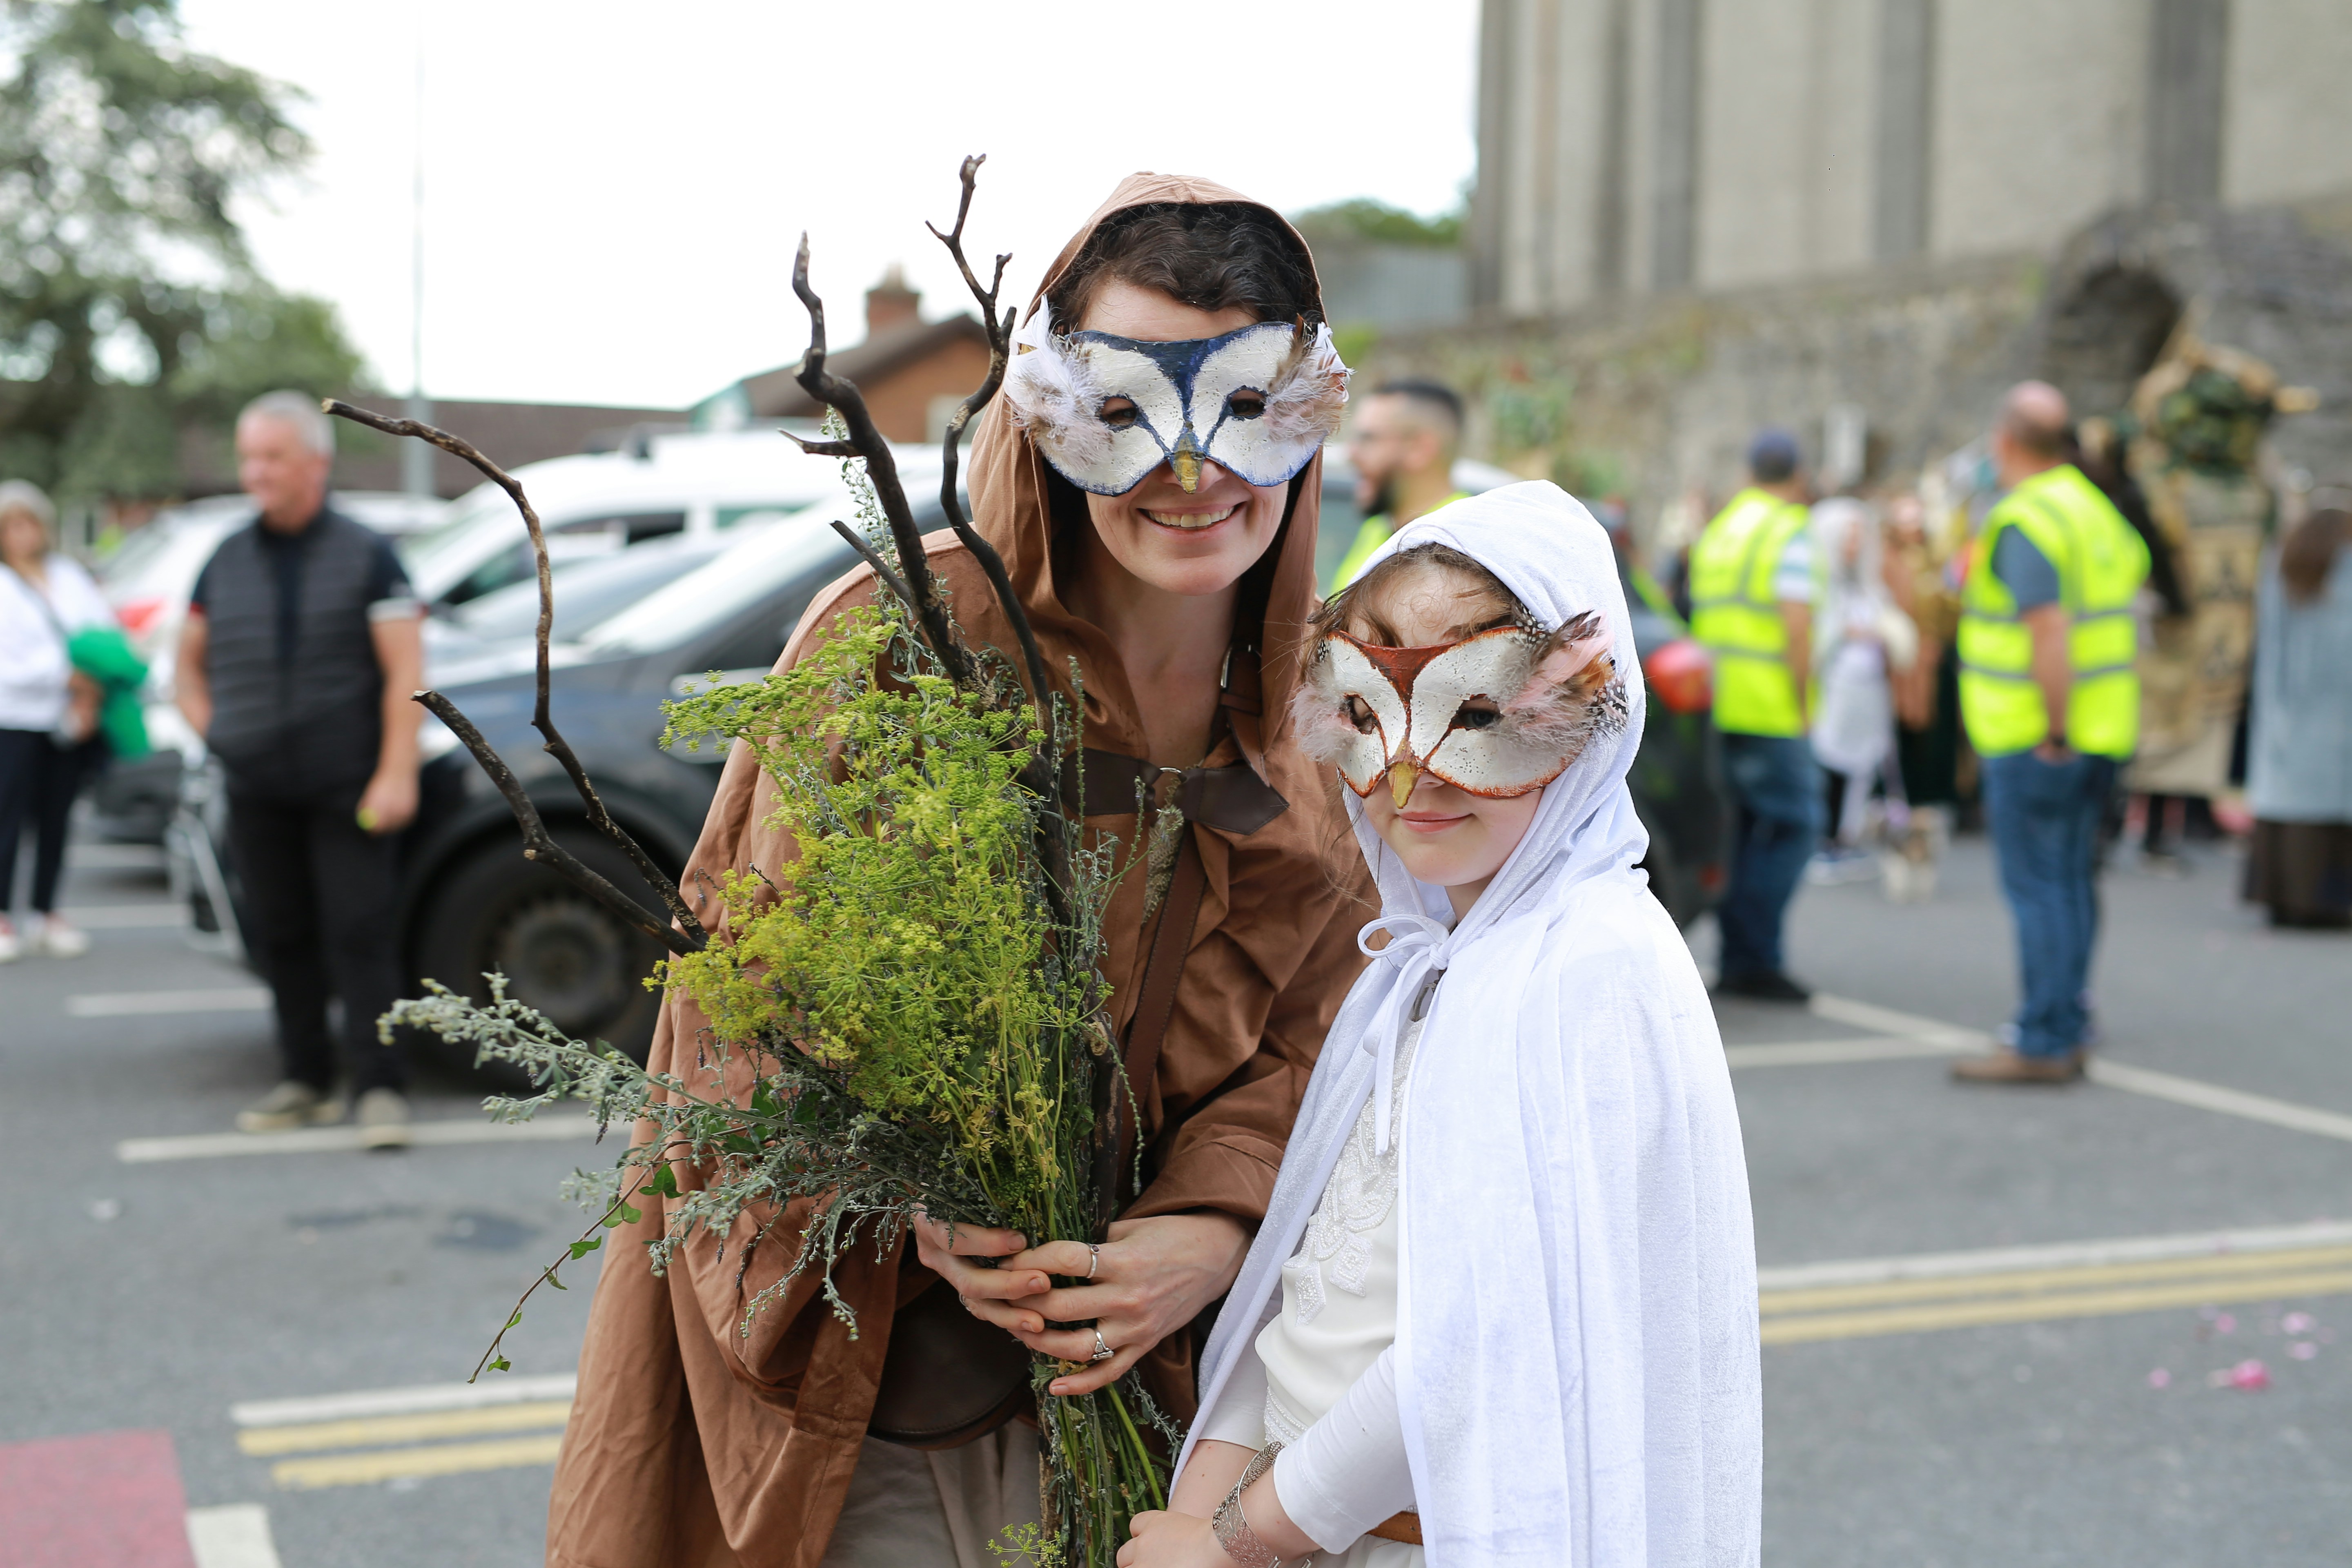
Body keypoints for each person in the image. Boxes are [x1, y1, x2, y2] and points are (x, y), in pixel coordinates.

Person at [546, 176, 1372, 1568]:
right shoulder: (900, 647)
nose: (1192, 474)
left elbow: (1320, 1043)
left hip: (1192, 1396)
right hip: (885, 1397)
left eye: (1245, 407)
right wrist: (914, 1188)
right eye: (1124, 408)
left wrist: (1217, 1225)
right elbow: (746, 1009)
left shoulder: (1321, 714)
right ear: (1048, 407)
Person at [1123, 484, 1760, 1568]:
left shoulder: (1589, 966)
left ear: (1584, 718)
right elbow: (1320, 1272)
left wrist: (1239, 1538)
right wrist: (1218, 1493)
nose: (1409, 775)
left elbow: (1482, 1338)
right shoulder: (1434, 961)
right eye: (1369, 715)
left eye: (1476, 714)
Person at [175, 392, 424, 1144]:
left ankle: (380, 1089)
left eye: (271, 457)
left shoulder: (368, 554)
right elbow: (185, 667)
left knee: (360, 932)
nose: (255, 472)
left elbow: (406, 671)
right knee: (281, 933)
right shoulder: (225, 559)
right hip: (256, 785)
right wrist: (219, 735)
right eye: (248, 457)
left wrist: (396, 772)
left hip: (346, 783)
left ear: (316, 462)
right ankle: (306, 1080)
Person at [1949, 382, 2148, 1083]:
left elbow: (2049, 633)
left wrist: (2053, 731)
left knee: (2040, 888)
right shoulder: (2095, 510)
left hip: (2039, 735)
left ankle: (2042, 1040)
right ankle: (2068, 1023)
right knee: (2072, 883)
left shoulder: (2026, 519)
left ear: (2005, 443)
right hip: (2104, 728)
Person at [1690, 428, 1821, 1000]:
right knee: (1797, 827)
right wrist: (1803, 704)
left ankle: (1739, 953)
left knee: (1741, 834)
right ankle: (1756, 954)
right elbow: (1798, 628)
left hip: (1720, 705)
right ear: (1797, 476)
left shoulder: (1722, 530)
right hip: (1769, 709)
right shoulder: (1788, 530)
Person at [0, 479, 120, 962]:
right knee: (8, 820)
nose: (22, 534)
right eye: (12, 525)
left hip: (71, 716)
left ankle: (46, 911)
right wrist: (60, 674)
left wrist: (89, 691)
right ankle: (3, 914)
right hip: (16, 717)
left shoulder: (69, 576)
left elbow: (101, 634)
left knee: (57, 819)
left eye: (29, 523)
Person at [2243, 498, 2352, 927]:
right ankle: (2324, 902)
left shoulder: (2284, 562)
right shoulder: (2342, 568)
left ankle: (2282, 898)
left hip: (2283, 705)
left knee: (2285, 805)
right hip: (2336, 712)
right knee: (2330, 813)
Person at [1330, 379, 1468, 590]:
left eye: (1368, 439)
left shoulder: (1462, 543)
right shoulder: (1379, 529)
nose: (1351, 455)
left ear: (1420, 449)